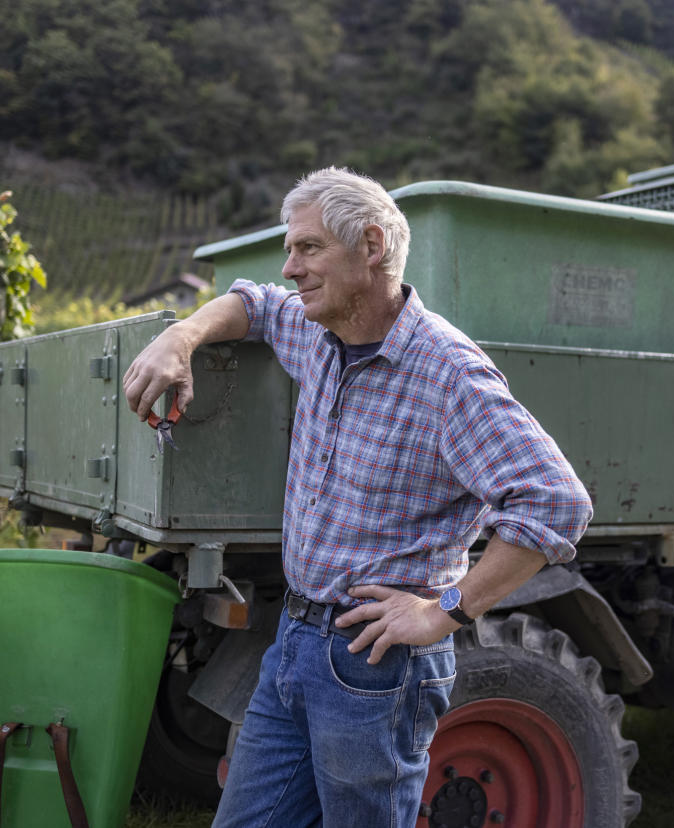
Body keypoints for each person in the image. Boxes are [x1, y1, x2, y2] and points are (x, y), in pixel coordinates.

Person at [122, 167, 592, 827]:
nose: (291, 268)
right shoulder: (319, 330)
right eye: (291, 250)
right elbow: (250, 303)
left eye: (308, 248)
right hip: (292, 641)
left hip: (375, 667)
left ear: (371, 248)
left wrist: (443, 613)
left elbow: (556, 502)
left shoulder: (447, 373)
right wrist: (180, 337)